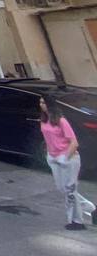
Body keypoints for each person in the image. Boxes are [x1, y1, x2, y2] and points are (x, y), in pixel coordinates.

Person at [40, 95, 94, 231]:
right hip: (53, 157)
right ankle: (91, 208)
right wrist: (48, 153)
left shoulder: (61, 121)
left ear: (50, 104)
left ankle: (77, 222)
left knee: (70, 190)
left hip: (69, 158)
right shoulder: (44, 120)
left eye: (43, 102)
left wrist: (65, 157)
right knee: (62, 189)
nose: (41, 105)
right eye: (40, 102)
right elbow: (48, 138)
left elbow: (74, 142)